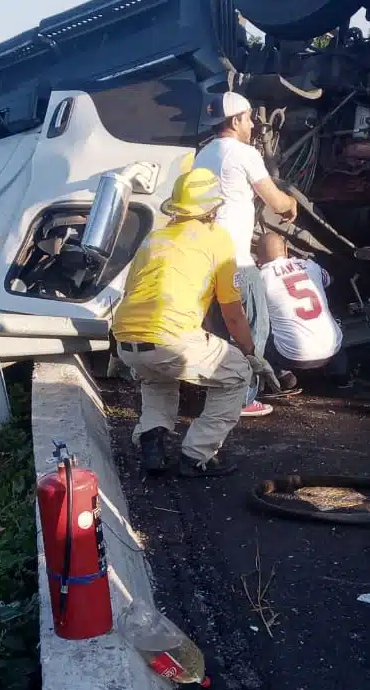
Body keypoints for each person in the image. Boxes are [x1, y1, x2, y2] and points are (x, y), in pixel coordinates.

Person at [112, 167, 279, 478]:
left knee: (157, 379)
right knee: (236, 375)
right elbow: (231, 310)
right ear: (214, 210)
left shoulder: (154, 238)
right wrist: (251, 355)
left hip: (127, 340)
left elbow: (129, 294)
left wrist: (114, 353)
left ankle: (152, 441)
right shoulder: (216, 239)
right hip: (171, 337)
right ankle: (196, 455)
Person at [195, 91, 299, 418]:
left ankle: (219, 395)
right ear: (236, 120)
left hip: (206, 257)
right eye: (249, 118)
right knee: (255, 328)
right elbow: (274, 200)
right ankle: (241, 400)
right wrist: (290, 204)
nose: (253, 124)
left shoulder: (202, 154)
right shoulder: (243, 153)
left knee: (219, 331)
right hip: (236, 260)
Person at [256, 231, 346, 384]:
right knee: (328, 314)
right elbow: (328, 280)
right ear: (285, 250)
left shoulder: (261, 277)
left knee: (260, 325)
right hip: (332, 350)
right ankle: (340, 374)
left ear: (258, 258)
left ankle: (283, 377)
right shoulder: (311, 266)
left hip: (291, 356)